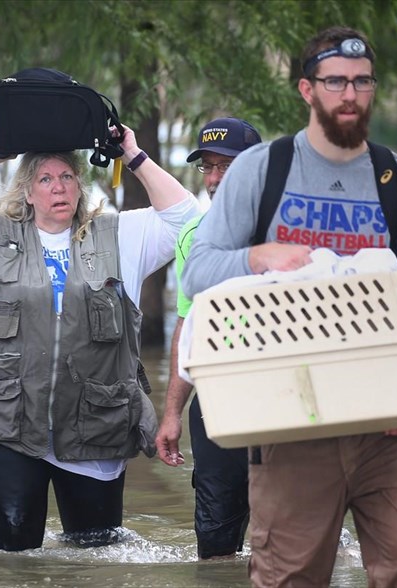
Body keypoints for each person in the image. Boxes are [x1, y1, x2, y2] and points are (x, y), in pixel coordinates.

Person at [182, 26, 397, 587]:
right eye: (334, 82)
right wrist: (257, 257)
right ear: (307, 89)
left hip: (383, 418)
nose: (348, 94)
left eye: (361, 81)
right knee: (290, 577)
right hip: (289, 418)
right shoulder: (261, 169)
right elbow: (197, 271)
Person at [0, 111, 200, 552]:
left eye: (68, 176)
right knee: (12, 556)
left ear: (80, 186)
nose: (59, 187)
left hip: (96, 422)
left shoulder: (119, 236)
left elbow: (187, 219)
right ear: (27, 192)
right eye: (45, 179)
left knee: (97, 554)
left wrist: (132, 153)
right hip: (7, 423)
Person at [155, 117, 262, 559]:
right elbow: (188, 323)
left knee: (291, 533)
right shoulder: (194, 236)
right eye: (208, 168)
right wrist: (173, 411)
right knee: (215, 546)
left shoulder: (288, 227)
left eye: (227, 166)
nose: (215, 179)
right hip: (217, 399)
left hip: (287, 398)